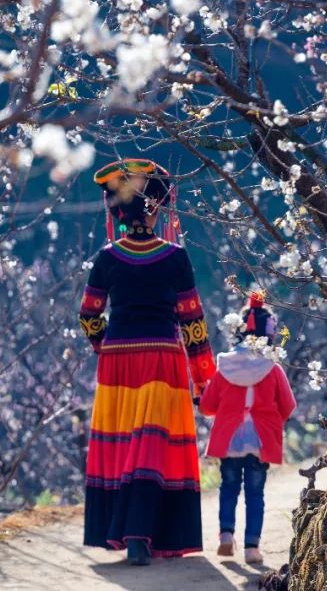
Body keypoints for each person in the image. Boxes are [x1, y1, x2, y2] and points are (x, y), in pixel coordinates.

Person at [78, 159, 216, 565]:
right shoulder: (175, 258)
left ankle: (131, 535)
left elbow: (88, 316)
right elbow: (192, 321)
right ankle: (142, 534)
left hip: (119, 360)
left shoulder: (107, 257)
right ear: (155, 210)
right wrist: (203, 379)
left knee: (125, 446)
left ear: (118, 213)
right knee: (151, 445)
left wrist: (106, 347)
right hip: (162, 358)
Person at [198, 292, 296, 565]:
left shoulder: (224, 367)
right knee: (255, 493)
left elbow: (206, 406)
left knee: (228, 488)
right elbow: (288, 406)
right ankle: (252, 547)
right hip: (260, 439)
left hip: (229, 438)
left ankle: (226, 536)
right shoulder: (273, 369)